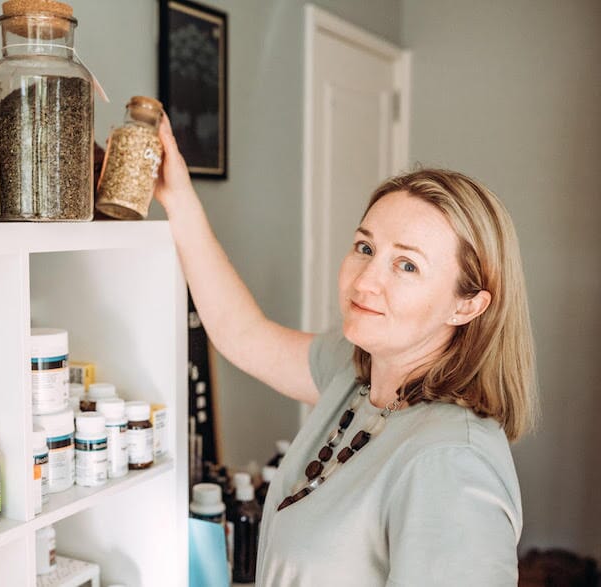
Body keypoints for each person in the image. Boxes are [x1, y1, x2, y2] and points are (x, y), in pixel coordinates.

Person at [154, 115, 537, 585]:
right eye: (364, 247)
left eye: (407, 265)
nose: (365, 280)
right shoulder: (357, 374)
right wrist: (177, 196)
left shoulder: (451, 465)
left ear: (466, 305)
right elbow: (245, 335)